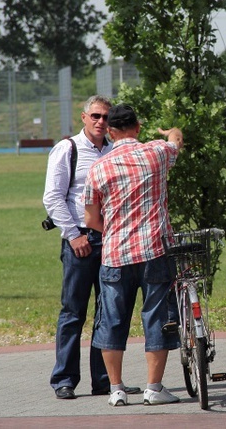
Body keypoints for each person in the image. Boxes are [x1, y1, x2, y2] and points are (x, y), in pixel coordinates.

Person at [84, 103, 184, 407]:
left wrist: (114, 231)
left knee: (112, 321)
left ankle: (116, 389)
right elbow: (176, 140)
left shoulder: (98, 167)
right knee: (157, 318)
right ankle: (154, 388)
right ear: (137, 127)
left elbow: (90, 219)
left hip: (114, 254)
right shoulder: (156, 153)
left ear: (110, 132)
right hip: (155, 250)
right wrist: (170, 132)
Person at [43, 95, 139, 400]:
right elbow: (53, 198)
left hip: (111, 239)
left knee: (109, 310)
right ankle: (64, 379)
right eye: (95, 116)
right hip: (79, 241)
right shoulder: (67, 149)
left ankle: (105, 381)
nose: (101, 122)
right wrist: (73, 235)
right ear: (83, 117)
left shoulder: (115, 150)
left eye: (106, 117)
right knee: (73, 311)